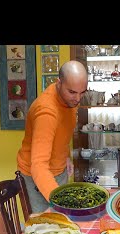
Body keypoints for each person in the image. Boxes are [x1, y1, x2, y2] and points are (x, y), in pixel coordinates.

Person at [17, 60, 88, 213]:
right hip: (37, 176)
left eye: (82, 92)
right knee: (45, 228)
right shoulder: (46, 113)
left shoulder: (68, 99)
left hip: (59, 169)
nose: (77, 99)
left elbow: (61, 132)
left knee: (62, 222)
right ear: (59, 83)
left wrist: (66, 156)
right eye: (72, 92)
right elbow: (38, 166)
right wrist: (61, 202)